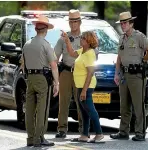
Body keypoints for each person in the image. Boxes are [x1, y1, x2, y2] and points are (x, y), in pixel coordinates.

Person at [110, 11, 148, 141]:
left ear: (131, 23)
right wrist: (117, 73)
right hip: (124, 74)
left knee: (138, 105)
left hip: (136, 75)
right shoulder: (121, 38)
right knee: (124, 105)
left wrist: (143, 60)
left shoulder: (139, 36)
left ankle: (140, 133)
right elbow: (119, 56)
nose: (123, 25)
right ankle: (123, 132)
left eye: (125, 23)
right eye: (121, 23)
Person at [61, 30, 104, 143]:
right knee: (84, 110)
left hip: (87, 86)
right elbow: (71, 53)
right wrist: (66, 40)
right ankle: (85, 134)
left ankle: (99, 133)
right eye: (81, 38)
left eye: (83, 38)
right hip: (80, 85)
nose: (81, 39)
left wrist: (84, 91)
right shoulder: (82, 51)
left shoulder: (90, 53)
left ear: (89, 41)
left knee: (90, 109)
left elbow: (90, 73)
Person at [22, 15, 59, 147]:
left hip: (30, 78)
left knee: (30, 109)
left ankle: (30, 138)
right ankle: (40, 138)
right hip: (42, 79)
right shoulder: (46, 45)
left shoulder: (27, 44)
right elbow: (54, 66)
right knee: (42, 109)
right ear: (46, 30)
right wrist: (57, 83)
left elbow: (23, 64)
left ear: (37, 29)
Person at [54, 9, 83, 138]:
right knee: (63, 101)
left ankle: (83, 128)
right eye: (71, 21)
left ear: (80, 22)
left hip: (80, 73)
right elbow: (55, 56)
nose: (73, 24)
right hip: (66, 71)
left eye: (75, 21)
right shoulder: (63, 38)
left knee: (81, 101)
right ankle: (61, 129)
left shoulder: (86, 38)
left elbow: (93, 55)